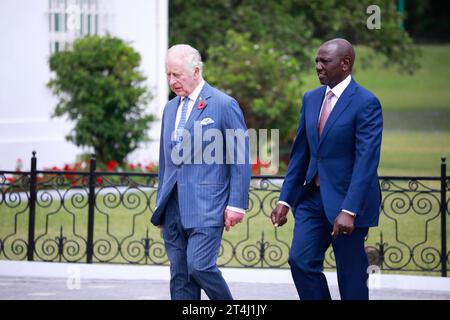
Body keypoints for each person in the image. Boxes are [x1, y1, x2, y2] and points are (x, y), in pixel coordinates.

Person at [271, 38, 383, 300]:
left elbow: (366, 161)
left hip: (347, 204)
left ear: (345, 64)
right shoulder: (311, 99)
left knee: (350, 274)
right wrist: (285, 199)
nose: (318, 67)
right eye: (317, 62)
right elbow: (300, 154)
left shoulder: (366, 103)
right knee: (300, 261)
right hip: (311, 199)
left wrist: (349, 210)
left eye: (325, 61)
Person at [151, 44, 251, 300]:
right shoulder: (170, 109)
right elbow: (166, 161)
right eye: (168, 75)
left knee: (200, 266)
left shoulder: (224, 105)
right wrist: (161, 206)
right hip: (172, 207)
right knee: (180, 276)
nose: (172, 81)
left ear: (196, 71)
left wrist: (237, 204)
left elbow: (239, 158)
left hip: (208, 206)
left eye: (177, 75)